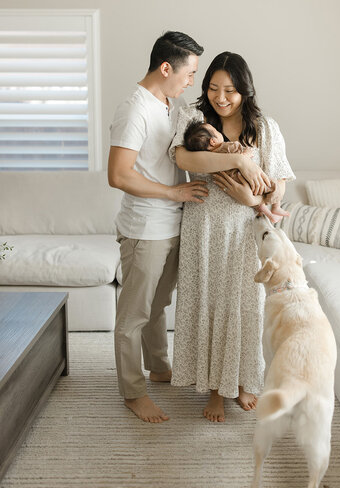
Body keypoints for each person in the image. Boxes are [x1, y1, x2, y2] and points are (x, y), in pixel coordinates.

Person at [169, 51, 295, 422]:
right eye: (212, 88)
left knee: (245, 307)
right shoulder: (193, 120)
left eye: (229, 90)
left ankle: (241, 382)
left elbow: (280, 183)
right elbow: (185, 161)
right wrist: (240, 160)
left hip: (244, 231)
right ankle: (213, 390)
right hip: (203, 228)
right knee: (206, 302)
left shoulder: (266, 127)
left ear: (245, 91)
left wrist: (253, 198)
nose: (220, 98)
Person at [108, 30, 209, 424]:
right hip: (144, 228)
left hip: (173, 224)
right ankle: (133, 392)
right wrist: (173, 193)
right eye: (189, 73)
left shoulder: (171, 103)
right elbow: (118, 174)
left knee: (158, 305)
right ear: (165, 67)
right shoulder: (134, 109)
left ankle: (159, 367)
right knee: (132, 316)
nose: (191, 82)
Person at [183, 119, 290, 222]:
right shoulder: (228, 147)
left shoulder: (208, 159)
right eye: (216, 131)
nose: (219, 132)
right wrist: (247, 153)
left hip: (234, 185)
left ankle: (268, 213)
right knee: (273, 185)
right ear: (212, 141)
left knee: (258, 205)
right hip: (246, 179)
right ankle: (276, 207)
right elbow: (241, 157)